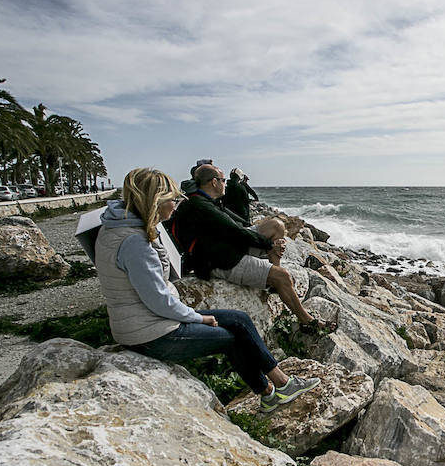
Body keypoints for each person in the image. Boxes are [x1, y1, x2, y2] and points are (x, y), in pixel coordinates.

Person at [95, 167, 319, 412]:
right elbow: (157, 300)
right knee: (233, 339)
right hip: (150, 334)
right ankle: (277, 388)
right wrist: (198, 317)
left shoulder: (119, 227)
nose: (176, 204)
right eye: (173, 199)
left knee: (239, 319)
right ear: (155, 201)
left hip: (147, 321)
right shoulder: (135, 243)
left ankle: (276, 390)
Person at [171, 164, 332, 334]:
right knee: (283, 276)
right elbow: (235, 231)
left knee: (276, 225)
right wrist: (270, 245)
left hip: (226, 245)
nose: (225, 183)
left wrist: (268, 243)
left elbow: (235, 226)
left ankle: (274, 275)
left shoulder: (204, 200)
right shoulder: (200, 205)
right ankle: (307, 321)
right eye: (223, 180)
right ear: (214, 182)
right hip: (219, 259)